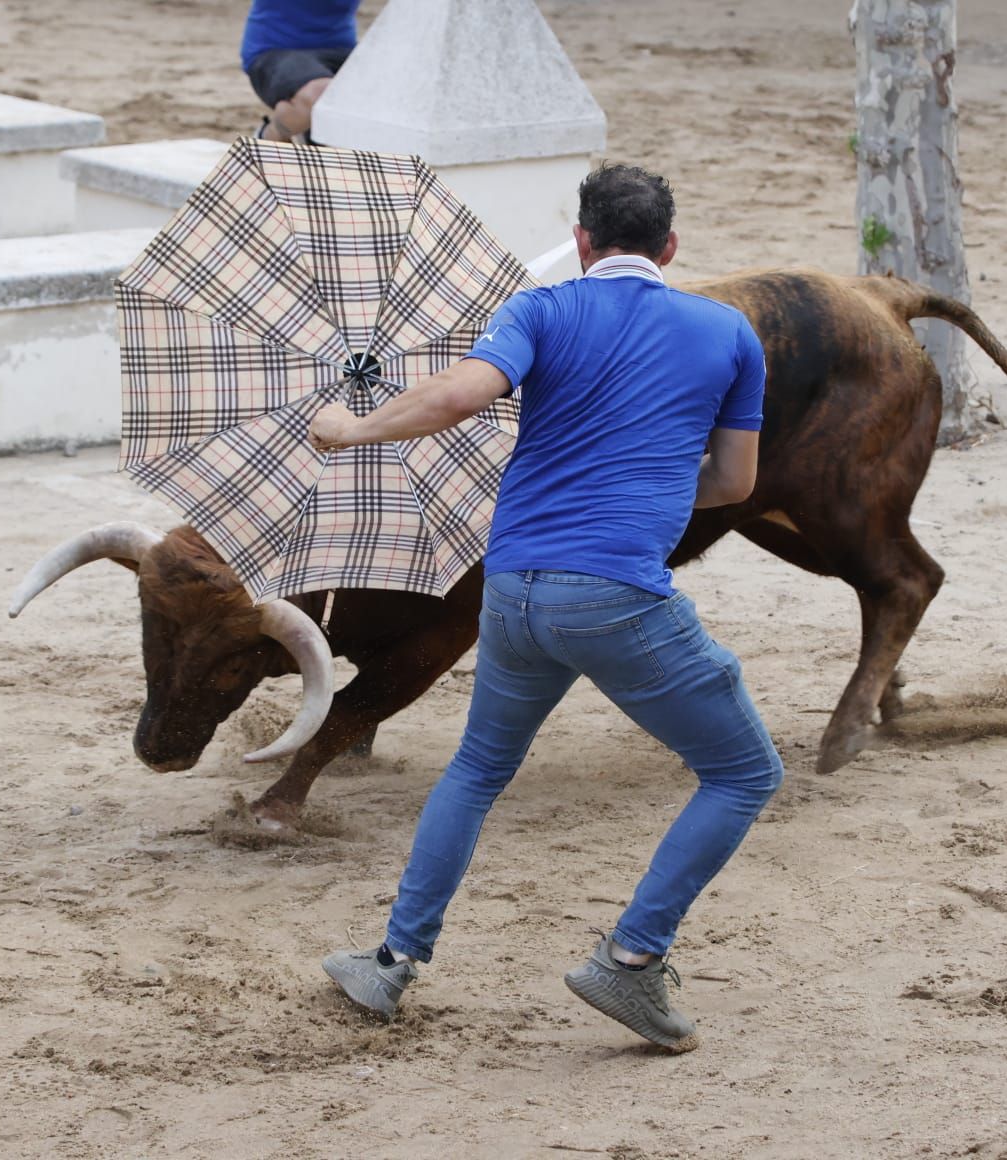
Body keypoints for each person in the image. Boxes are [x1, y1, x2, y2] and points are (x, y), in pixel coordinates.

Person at [306, 164, 783, 1052]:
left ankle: (391, 961)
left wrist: (353, 428)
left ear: (583, 241)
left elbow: (462, 394)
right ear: (670, 247)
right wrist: (645, 476)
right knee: (744, 772)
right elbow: (734, 482)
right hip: (616, 597)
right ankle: (632, 959)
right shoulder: (727, 331)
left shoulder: (539, 309)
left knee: (477, 769)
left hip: (513, 591)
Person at [239, 0, 360, 144]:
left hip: (341, 48)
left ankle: (312, 132)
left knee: (379, 91)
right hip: (275, 49)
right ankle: (269, 136)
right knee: (321, 93)